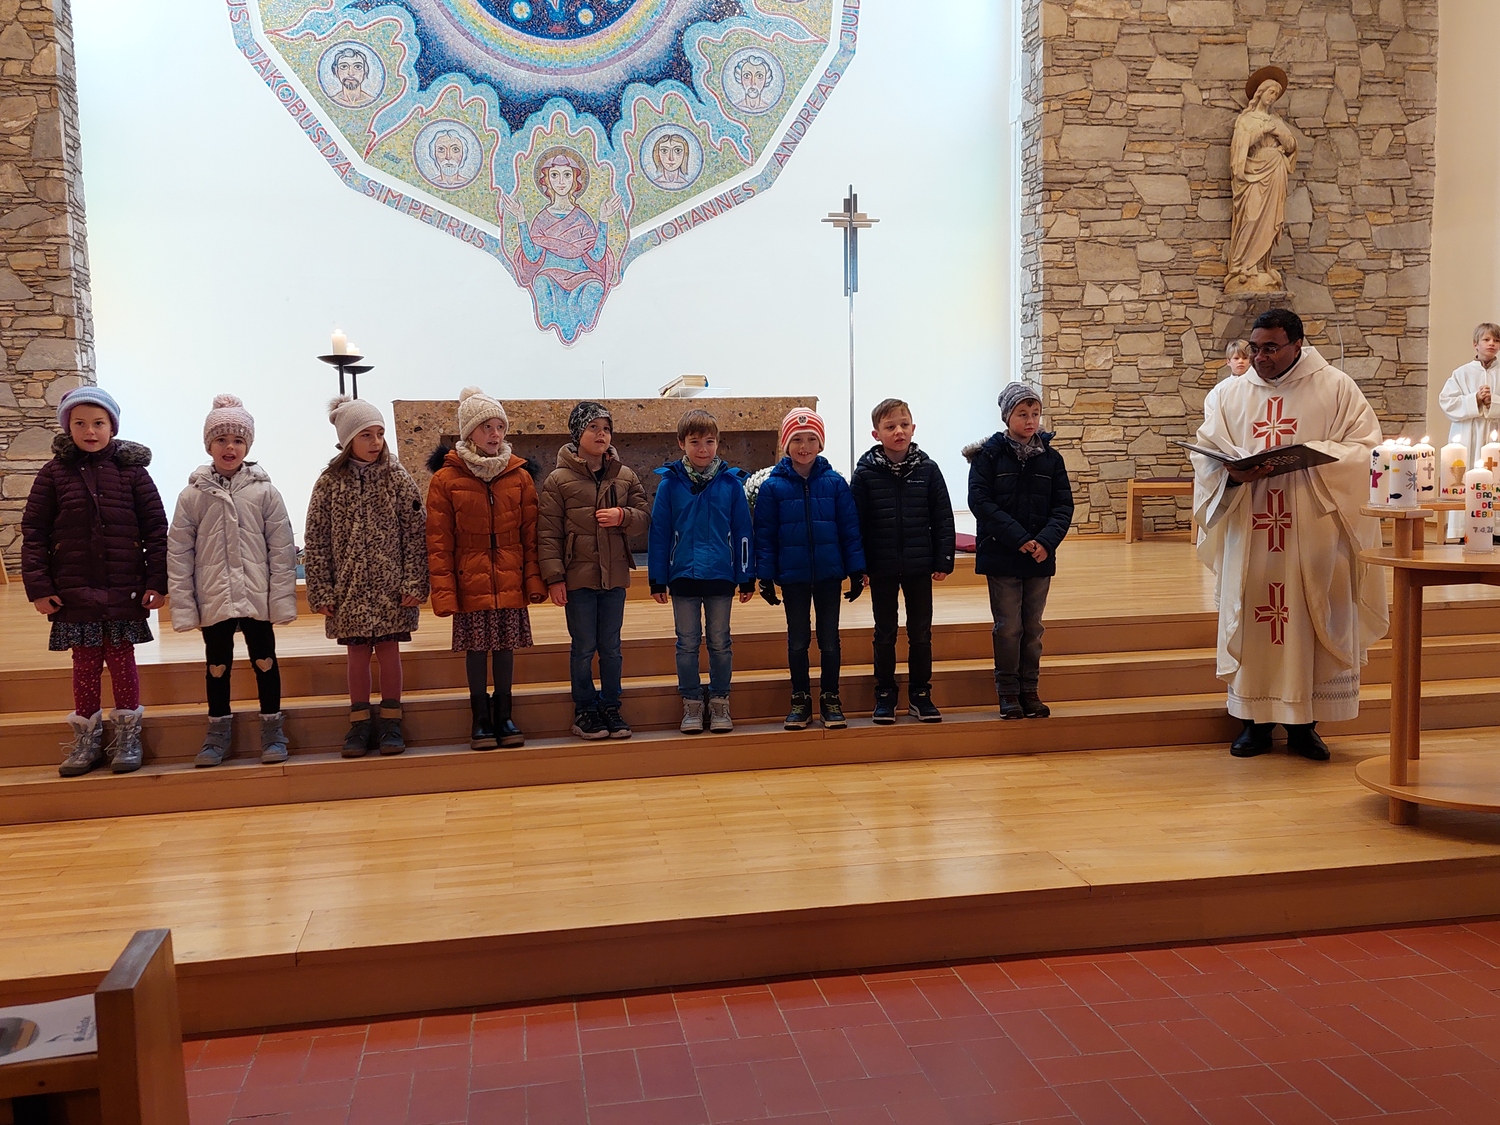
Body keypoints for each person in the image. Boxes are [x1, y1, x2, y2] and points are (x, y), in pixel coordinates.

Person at [1192, 308, 1387, 760]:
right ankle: (1253, 723)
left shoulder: (1335, 387)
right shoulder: (1228, 394)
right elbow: (1206, 454)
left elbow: (1366, 449)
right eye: (1255, 348)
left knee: (1310, 618)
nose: (1260, 357)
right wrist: (1232, 475)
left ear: (1297, 344)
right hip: (1251, 526)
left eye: (1271, 348)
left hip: (1313, 527)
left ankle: (1305, 727)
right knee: (1254, 615)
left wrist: (1310, 455)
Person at [21, 386, 168, 777]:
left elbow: (156, 529)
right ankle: (87, 739)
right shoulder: (53, 474)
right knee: (84, 664)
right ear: (67, 427)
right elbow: (34, 533)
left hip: (123, 588)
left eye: (98, 423)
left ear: (112, 427)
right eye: (80, 423)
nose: (90, 431)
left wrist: (157, 581)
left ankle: (128, 736)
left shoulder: (133, 473)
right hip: (74, 591)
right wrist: (40, 588)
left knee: (122, 661)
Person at [166, 395, 298, 768]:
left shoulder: (265, 492)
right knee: (217, 665)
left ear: (248, 446)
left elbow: (281, 548)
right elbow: (179, 553)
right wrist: (185, 606)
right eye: (221, 439)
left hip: (256, 595)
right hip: (215, 595)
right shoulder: (192, 496)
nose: (230, 447)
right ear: (209, 445)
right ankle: (218, 730)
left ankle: (272, 728)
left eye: (238, 440)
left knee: (265, 660)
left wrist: (281, 600)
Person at [304, 396, 429, 758]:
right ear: (347, 440)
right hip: (350, 591)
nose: (376, 442)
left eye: (380, 434)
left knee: (389, 652)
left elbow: (415, 533)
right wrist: (322, 590)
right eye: (366, 435)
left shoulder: (397, 478)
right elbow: (316, 540)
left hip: (391, 589)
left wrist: (413, 582)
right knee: (357, 655)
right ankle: (359, 724)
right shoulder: (329, 483)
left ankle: (391, 722)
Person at [427, 388, 547, 751]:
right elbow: (439, 540)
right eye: (486, 427)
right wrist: (444, 592)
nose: (495, 434)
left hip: (509, 575)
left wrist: (533, 580)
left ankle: (504, 714)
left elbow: (531, 534)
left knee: (506, 648)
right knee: (477, 650)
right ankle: (480, 717)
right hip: (470, 579)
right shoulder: (446, 479)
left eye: (500, 427)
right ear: (469, 433)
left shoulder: (519, 476)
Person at [538, 402, 650, 740]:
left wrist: (623, 516)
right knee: (584, 645)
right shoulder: (559, 480)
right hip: (578, 578)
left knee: (611, 646)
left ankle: (611, 705)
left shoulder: (624, 476)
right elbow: (548, 533)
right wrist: (555, 578)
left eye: (606, 429)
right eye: (593, 428)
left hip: (613, 576)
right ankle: (585, 709)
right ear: (578, 433)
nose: (602, 435)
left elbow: (644, 517)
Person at [754, 408, 866, 731]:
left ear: (821, 443)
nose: (804, 447)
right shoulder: (772, 487)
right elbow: (765, 535)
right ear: (786, 444)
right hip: (794, 577)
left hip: (829, 574)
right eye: (797, 440)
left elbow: (850, 530)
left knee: (829, 640)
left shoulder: (835, 484)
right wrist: (765, 575)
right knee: (798, 640)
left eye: (811, 439)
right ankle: (800, 699)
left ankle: (831, 698)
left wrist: (856, 570)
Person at [966, 383, 1073, 720]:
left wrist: (1045, 542)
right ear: (1007, 417)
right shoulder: (988, 456)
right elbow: (980, 502)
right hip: (1003, 554)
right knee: (1008, 626)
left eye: (1035, 414)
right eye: (1022, 414)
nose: (1030, 421)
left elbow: (1063, 506)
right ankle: (1008, 692)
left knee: (1033, 628)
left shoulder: (1052, 459)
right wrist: (1019, 538)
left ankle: (1030, 690)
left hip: (1039, 555)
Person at [648, 408, 755, 735]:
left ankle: (720, 701)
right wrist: (657, 578)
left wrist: (746, 575)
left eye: (709, 441)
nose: (703, 449)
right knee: (687, 643)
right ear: (682, 443)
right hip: (683, 576)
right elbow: (659, 533)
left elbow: (743, 532)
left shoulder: (731, 483)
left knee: (720, 641)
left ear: (718, 443)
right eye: (695, 442)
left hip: (721, 575)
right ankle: (692, 702)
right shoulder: (670, 484)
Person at [850, 398, 955, 724]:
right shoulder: (865, 474)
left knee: (920, 632)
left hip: (919, 565)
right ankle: (885, 693)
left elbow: (943, 517)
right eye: (890, 426)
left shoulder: (928, 470)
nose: (898, 431)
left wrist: (944, 558)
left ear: (913, 428)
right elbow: (856, 523)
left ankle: (921, 694)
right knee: (884, 632)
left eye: (904, 425)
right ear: (876, 434)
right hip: (881, 566)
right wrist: (859, 566)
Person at [501, 148, 624, 345]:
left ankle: (588, 338)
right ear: (546, 180)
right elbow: (532, 256)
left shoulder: (582, 218)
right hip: (549, 275)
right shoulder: (542, 218)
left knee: (595, 287)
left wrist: (603, 219)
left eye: (567, 175)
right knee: (541, 283)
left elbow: (597, 254)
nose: (561, 181)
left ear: (575, 180)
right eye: (554, 175)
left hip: (583, 276)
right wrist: (521, 218)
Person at [1227, 67, 1297, 294]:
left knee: (1269, 220)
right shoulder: (1246, 119)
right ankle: (1241, 266)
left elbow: (1291, 146)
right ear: (1260, 92)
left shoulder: (1276, 120)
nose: (1273, 97)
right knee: (1251, 216)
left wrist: (1278, 132)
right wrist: (1263, 130)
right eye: (1270, 92)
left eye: (1276, 94)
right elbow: (1240, 146)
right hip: (1254, 175)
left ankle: (1259, 267)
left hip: (1275, 173)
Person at [1439, 322, 1500, 540]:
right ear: (1475, 344)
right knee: (1464, 478)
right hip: (1468, 435)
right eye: (1486, 339)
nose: (1492, 344)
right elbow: (1446, 402)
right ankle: (1462, 531)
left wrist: (1493, 401)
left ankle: (1496, 531)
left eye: (1496, 340)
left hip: (1495, 433)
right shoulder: (1461, 373)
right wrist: (1474, 399)